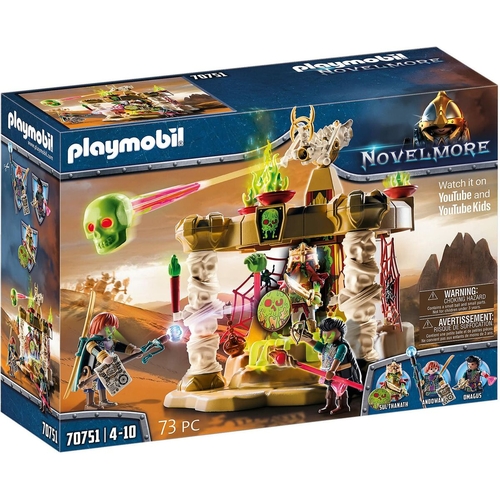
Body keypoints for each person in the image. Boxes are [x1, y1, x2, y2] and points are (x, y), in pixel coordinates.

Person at [74, 312, 140, 409]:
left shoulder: (110, 341)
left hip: (104, 368)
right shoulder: (92, 342)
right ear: (100, 326)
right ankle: (89, 404)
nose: (113, 330)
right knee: (91, 384)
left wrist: (132, 350)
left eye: (114, 327)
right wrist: (104, 357)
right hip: (93, 368)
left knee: (104, 382)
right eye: (110, 327)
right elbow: (94, 349)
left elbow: (119, 346)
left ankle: (103, 400)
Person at [301, 317, 362, 415]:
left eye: (331, 335)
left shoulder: (342, 346)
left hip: (340, 372)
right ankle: (330, 405)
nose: (327, 337)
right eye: (324, 334)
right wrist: (307, 340)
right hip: (329, 372)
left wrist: (332, 370)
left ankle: (343, 406)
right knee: (330, 389)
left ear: (340, 333)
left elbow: (338, 358)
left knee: (341, 389)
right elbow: (320, 347)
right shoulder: (328, 345)